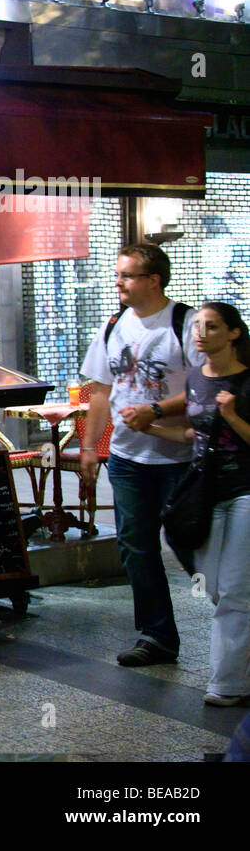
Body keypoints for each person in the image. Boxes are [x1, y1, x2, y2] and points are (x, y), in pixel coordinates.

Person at [80, 243, 202, 667]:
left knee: (190, 545)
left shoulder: (186, 325)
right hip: (128, 459)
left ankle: (233, 614)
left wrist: (156, 409)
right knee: (136, 546)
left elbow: (207, 389)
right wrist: (90, 448)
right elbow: (100, 391)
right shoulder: (113, 325)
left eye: (127, 275)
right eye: (118, 275)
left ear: (153, 280)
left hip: (181, 457)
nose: (118, 283)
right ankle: (157, 636)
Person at [142, 302, 250, 706]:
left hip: (244, 491)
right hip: (203, 493)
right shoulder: (194, 379)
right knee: (217, 586)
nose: (201, 334)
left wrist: (231, 413)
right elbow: (193, 436)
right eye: (198, 327)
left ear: (234, 333)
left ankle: (227, 685)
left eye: (212, 327)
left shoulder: (246, 381)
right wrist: (151, 427)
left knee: (236, 589)